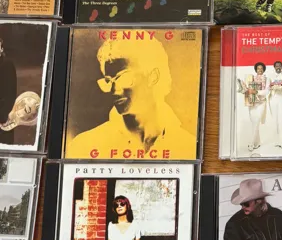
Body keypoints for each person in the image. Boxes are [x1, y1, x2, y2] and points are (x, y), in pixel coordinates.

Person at [67, 36, 196, 160]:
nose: (113, 90)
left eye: (124, 77)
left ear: (153, 77)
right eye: (108, 81)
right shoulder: (85, 146)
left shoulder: (188, 147)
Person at [237, 62, 267, 153]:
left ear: (264, 70)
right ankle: (257, 143)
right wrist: (244, 89)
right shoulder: (251, 78)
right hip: (252, 102)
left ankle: (251, 143)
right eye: (258, 68)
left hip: (261, 102)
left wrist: (256, 92)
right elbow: (247, 89)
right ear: (255, 70)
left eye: (261, 68)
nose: (260, 70)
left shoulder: (267, 79)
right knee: (254, 122)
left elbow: (267, 91)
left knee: (256, 121)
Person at [267, 61, 282, 149]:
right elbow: (267, 87)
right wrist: (271, 87)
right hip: (273, 98)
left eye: (279, 66)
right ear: (274, 67)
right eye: (276, 66)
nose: (278, 67)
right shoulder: (270, 75)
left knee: (281, 120)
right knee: (275, 120)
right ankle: (276, 141)